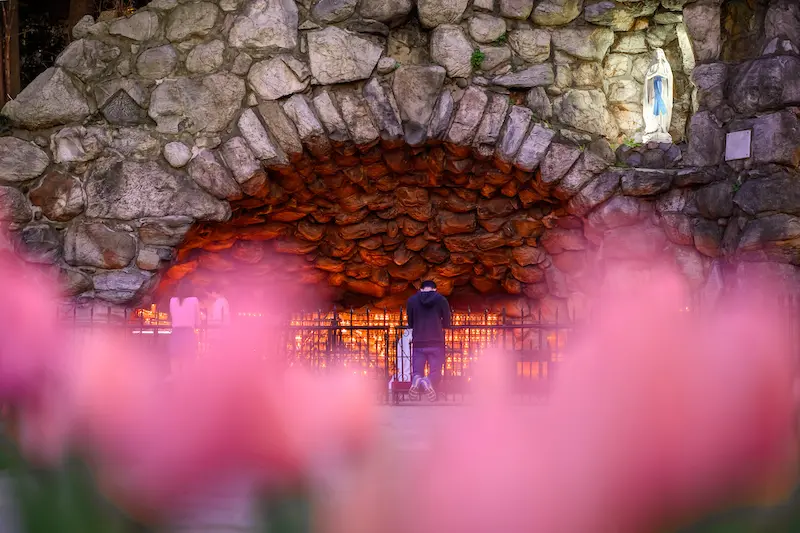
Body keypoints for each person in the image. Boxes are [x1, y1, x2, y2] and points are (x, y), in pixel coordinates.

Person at [405, 280, 451, 401]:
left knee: (417, 371)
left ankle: (417, 379)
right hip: (436, 342)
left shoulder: (412, 300)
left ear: (421, 289)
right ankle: (427, 381)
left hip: (418, 341)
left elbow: (410, 323)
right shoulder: (441, 300)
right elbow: (446, 322)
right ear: (435, 289)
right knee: (436, 372)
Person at [169, 281, 201, 372]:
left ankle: (176, 379)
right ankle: (185, 381)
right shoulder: (194, 300)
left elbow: (172, 316)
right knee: (187, 358)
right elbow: (197, 320)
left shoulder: (172, 300)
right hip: (188, 333)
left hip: (175, 333)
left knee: (174, 358)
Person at [206, 287, 232, 351]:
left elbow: (226, 316)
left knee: (217, 348)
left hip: (218, 331)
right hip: (214, 331)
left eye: (210, 294)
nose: (209, 296)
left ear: (214, 292)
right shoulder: (216, 302)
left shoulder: (223, 301)